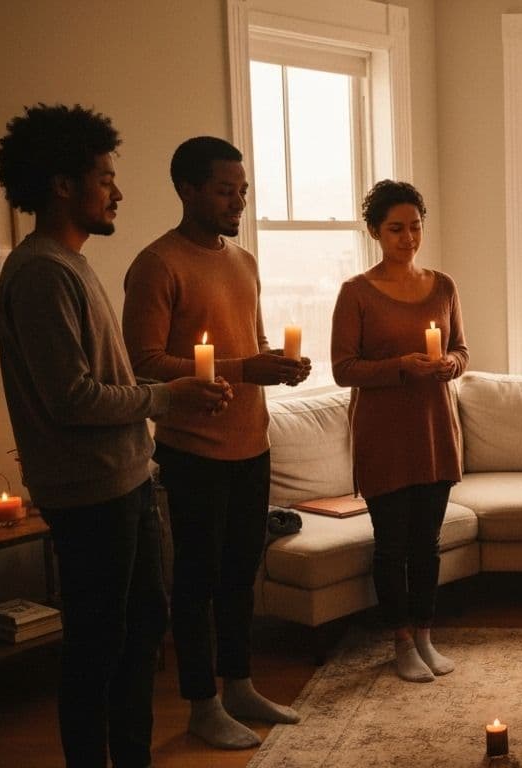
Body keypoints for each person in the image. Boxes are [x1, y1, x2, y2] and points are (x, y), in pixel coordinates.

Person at [0, 104, 231, 768]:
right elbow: (72, 399)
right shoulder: (42, 272)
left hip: (125, 480)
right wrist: (168, 396)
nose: (117, 191)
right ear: (62, 185)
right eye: (104, 176)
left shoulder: (67, 264)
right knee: (98, 646)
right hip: (88, 493)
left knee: (137, 635)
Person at [122, 136, 308, 749]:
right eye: (226, 191)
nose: (238, 202)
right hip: (192, 449)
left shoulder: (244, 261)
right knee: (197, 581)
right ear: (188, 190)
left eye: (243, 190)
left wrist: (275, 367)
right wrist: (243, 367)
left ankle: (239, 685)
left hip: (250, 443)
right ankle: (202, 704)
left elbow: (244, 347)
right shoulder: (157, 264)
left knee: (239, 577)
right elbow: (144, 364)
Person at [331, 180, 467, 683]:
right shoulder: (356, 293)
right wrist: (401, 367)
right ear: (374, 232)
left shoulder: (444, 285)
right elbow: (344, 368)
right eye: (395, 229)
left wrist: (451, 363)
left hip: (434, 428)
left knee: (426, 544)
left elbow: (462, 349)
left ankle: (427, 635)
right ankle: (401, 640)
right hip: (384, 435)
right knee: (391, 545)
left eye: (414, 227)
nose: (408, 237)